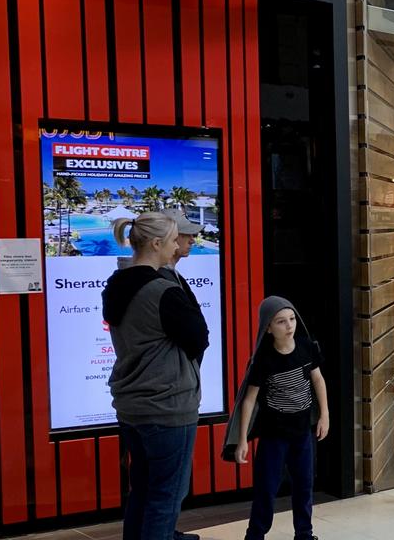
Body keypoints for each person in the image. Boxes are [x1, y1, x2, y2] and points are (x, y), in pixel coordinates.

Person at [103, 213, 208, 540]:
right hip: (168, 406)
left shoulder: (116, 283)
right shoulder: (163, 291)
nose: (178, 245)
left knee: (144, 490)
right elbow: (198, 337)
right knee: (166, 497)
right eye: (175, 239)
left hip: (133, 406)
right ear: (157, 244)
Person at [230, 298, 328, 539]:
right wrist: (242, 439)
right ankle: (255, 534)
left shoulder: (306, 347)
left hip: (302, 432)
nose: (289, 326)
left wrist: (324, 414)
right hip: (274, 436)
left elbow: (317, 379)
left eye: (292, 319)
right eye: (281, 322)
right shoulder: (263, 358)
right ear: (268, 328)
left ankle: (304, 533)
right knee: (266, 489)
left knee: (304, 485)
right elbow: (249, 399)